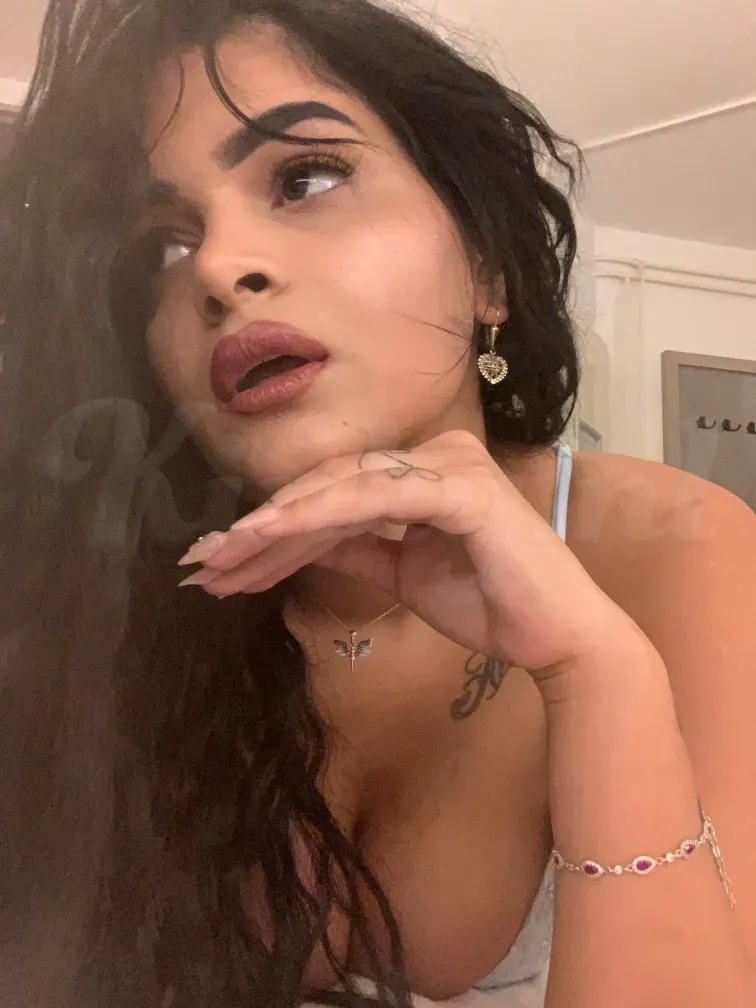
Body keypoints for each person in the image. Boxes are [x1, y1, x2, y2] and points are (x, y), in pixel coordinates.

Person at [1, 1, 754, 1006]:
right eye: (163, 248)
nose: (219, 267)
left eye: (305, 179)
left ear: (487, 269)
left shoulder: (679, 552)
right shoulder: (106, 591)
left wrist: (596, 676)